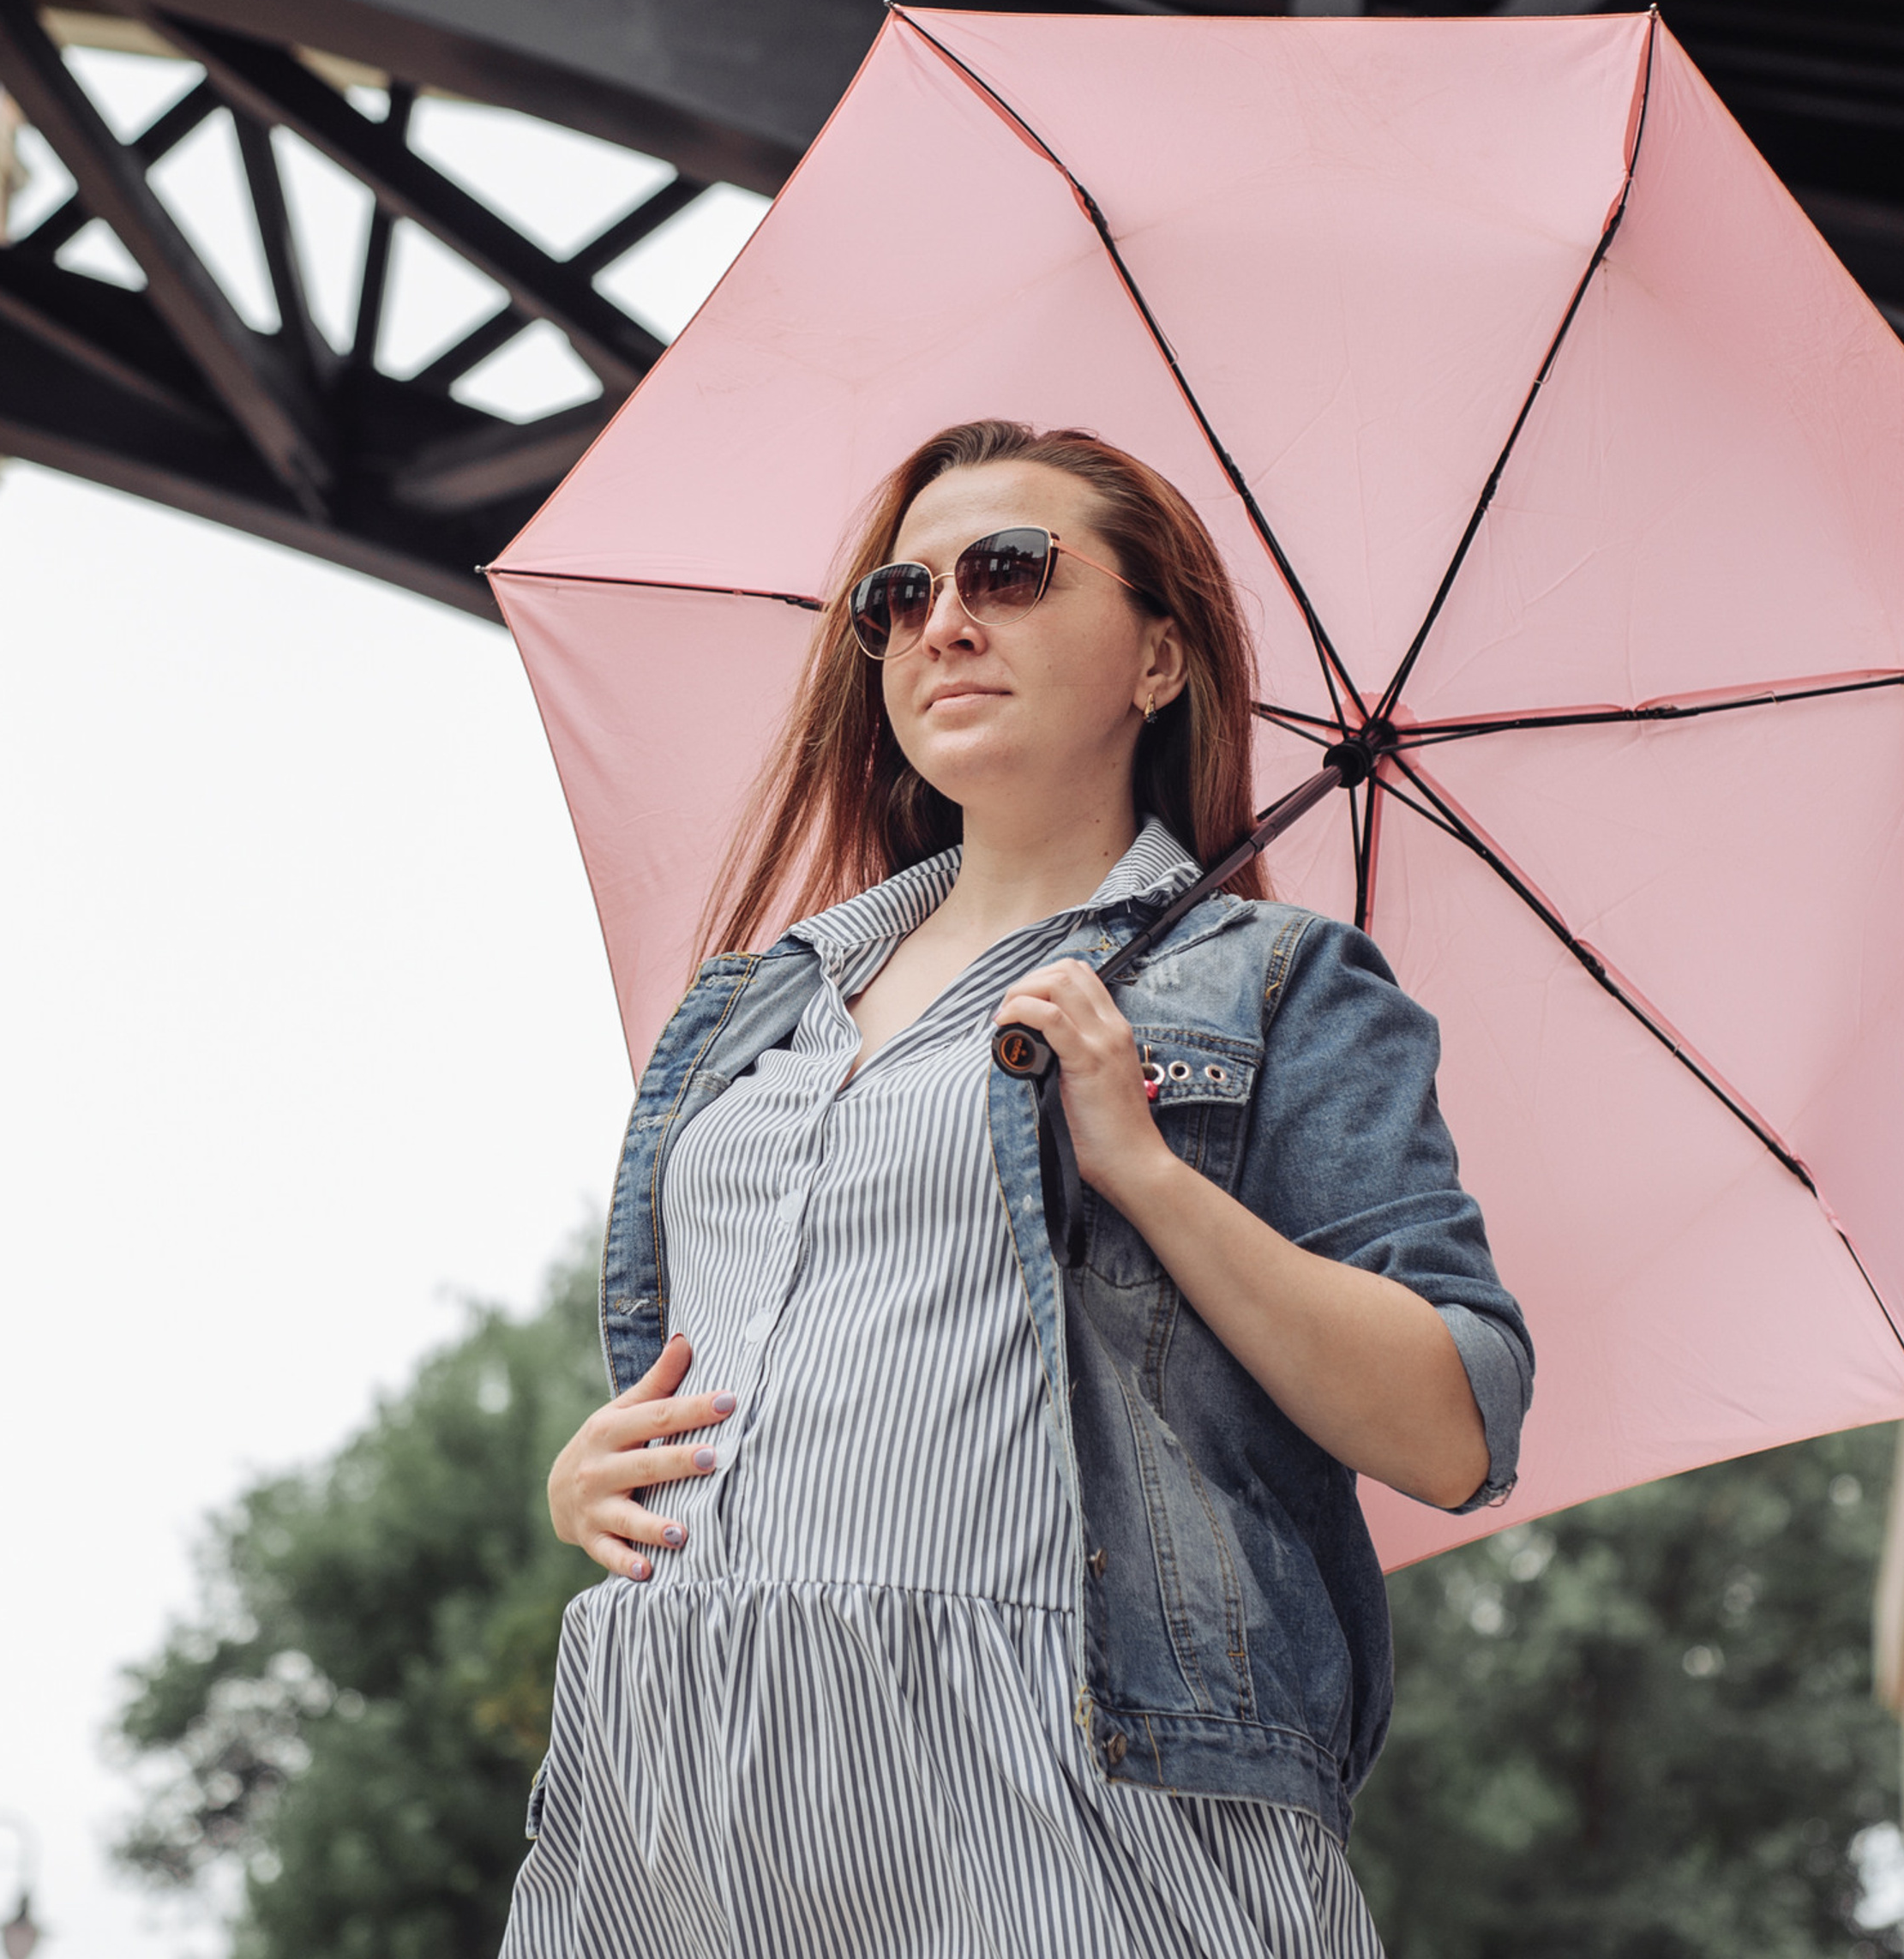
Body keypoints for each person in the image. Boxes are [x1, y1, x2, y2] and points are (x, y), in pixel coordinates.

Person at [502, 419, 1532, 1958]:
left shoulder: (1269, 987)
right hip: (672, 1784)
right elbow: (740, 1343)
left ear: (1162, 661)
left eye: (1011, 570)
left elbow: (1458, 1423)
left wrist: (1144, 1169)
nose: (944, 621)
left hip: (1060, 1783)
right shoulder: (754, 1009)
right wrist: (600, 1472)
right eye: (898, 599)